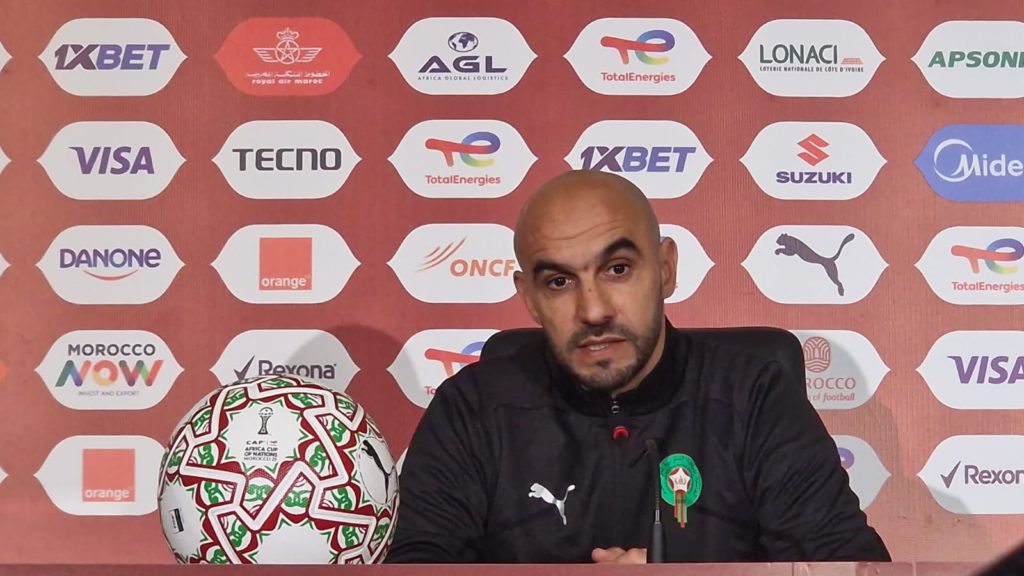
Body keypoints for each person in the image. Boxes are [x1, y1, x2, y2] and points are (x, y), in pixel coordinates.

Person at [385, 170, 890, 564]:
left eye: (618, 269)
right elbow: (416, 565)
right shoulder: (472, 409)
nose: (593, 310)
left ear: (666, 268)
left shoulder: (754, 397)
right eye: (559, 282)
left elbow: (848, 566)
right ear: (529, 298)